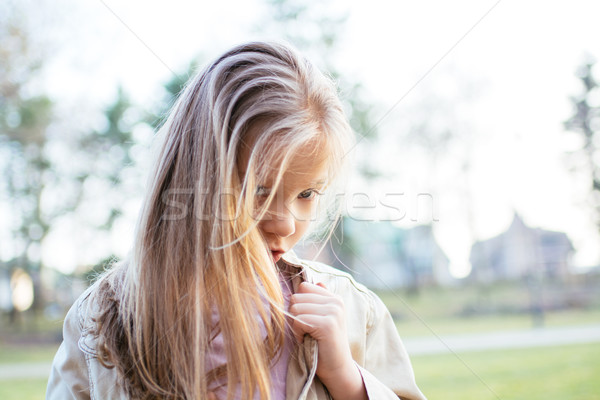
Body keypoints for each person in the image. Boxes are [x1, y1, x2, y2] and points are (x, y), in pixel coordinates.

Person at [46, 41, 426, 400]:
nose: (285, 225)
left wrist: (347, 378)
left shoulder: (353, 314)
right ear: (194, 177)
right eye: (259, 190)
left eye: (306, 194)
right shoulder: (101, 320)